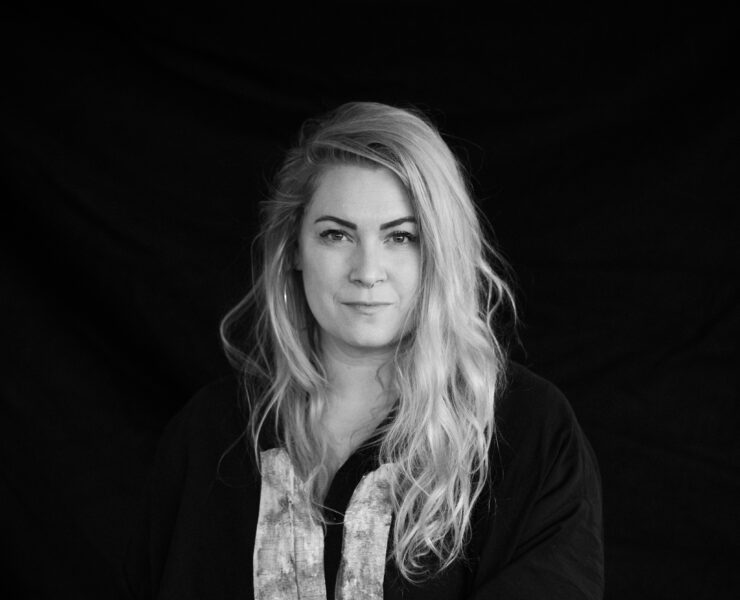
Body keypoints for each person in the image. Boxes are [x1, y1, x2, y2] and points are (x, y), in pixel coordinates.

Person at [123, 102, 604, 599]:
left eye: (401, 237)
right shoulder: (208, 436)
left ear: (441, 250)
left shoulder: (524, 432)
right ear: (294, 249)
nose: (368, 271)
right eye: (336, 235)